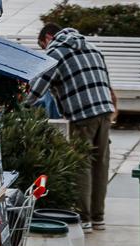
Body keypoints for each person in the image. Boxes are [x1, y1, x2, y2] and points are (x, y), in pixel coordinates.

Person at [31, 23, 117, 230]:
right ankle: (98, 217)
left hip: (81, 114)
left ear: (49, 37)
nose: (45, 50)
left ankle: (84, 218)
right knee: (100, 165)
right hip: (105, 111)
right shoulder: (93, 48)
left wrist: (16, 105)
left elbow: (36, 90)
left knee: (81, 165)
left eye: (43, 45)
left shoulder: (55, 52)